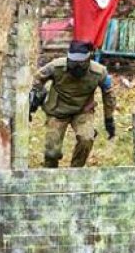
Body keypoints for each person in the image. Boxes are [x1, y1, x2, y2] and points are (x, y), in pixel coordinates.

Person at [30, 40, 117, 169]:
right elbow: (38, 78)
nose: (76, 67)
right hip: (57, 111)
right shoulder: (56, 67)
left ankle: (75, 171)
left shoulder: (99, 72)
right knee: (52, 151)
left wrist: (109, 119)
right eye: (73, 63)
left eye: (80, 64)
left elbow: (108, 95)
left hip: (83, 111)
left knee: (86, 139)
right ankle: (50, 174)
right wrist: (34, 101)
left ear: (87, 61)